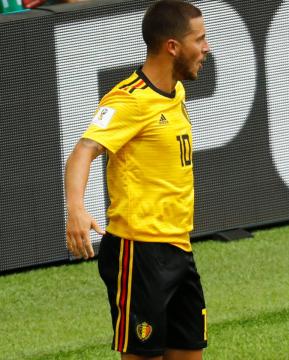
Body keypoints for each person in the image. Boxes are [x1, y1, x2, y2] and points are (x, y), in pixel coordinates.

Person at [64, 1, 210, 359]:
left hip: (179, 248)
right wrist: (76, 209)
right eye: (200, 40)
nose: (207, 48)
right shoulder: (128, 101)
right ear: (172, 47)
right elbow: (82, 151)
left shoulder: (175, 90)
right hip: (138, 251)